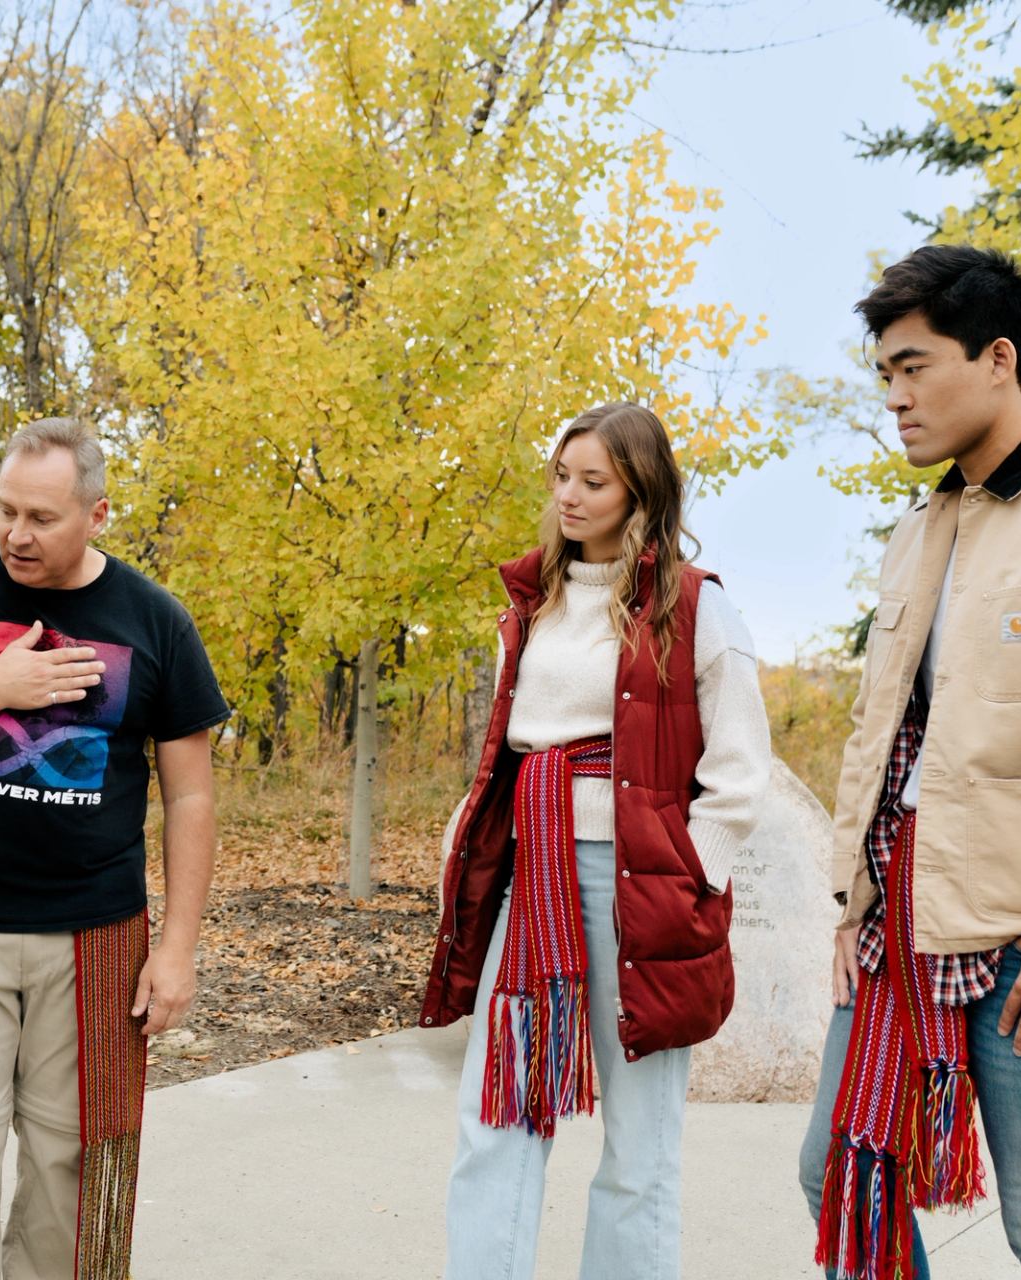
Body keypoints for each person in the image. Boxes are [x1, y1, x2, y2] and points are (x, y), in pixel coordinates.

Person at [0, 416, 229, 1280]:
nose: (16, 535)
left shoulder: (154, 620)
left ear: (97, 515)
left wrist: (176, 951)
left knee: (77, 1166)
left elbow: (192, 795)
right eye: (4, 511)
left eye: (42, 518)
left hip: (94, 937)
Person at [419, 401, 774, 1279]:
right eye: (562, 477)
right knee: (497, 1115)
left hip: (642, 887)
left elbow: (739, 768)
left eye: (594, 481)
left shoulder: (696, 608)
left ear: (640, 490)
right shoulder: (531, 599)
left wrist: (693, 880)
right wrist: (463, 853)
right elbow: (504, 752)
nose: (569, 497)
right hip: (531, 877)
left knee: (640, 1145)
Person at [797, 245, 1021, 1280]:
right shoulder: (919, 527)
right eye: (883, 376)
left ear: (997, 357)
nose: (894, 398)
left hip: (1019, 947)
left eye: (912, 367)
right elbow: (883, 734)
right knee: (841, 1176)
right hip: (898, 927)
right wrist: (851, 900)